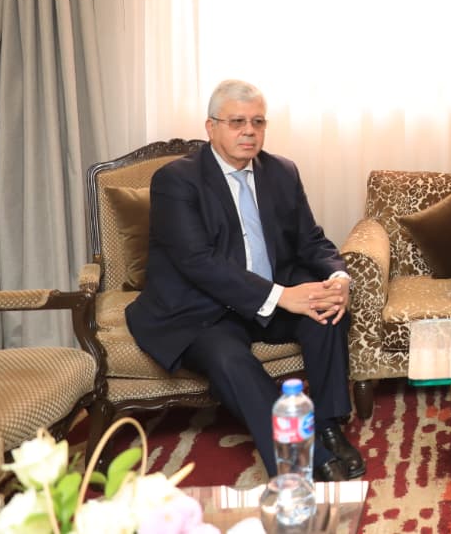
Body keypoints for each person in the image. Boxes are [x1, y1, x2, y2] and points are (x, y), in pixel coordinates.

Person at [126, 80, 364, 481]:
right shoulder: (176, 180)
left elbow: (310, 240)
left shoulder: (282, 171)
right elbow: (197, 262)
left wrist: (337, 276)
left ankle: (328, 424)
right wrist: (281, 296)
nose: (249, 131)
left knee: (326, 311)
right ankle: (302, 455)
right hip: (203, 309)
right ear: (211, 127)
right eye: (237, 122)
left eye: (257, 122)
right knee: (230, 360)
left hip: (268, 296)